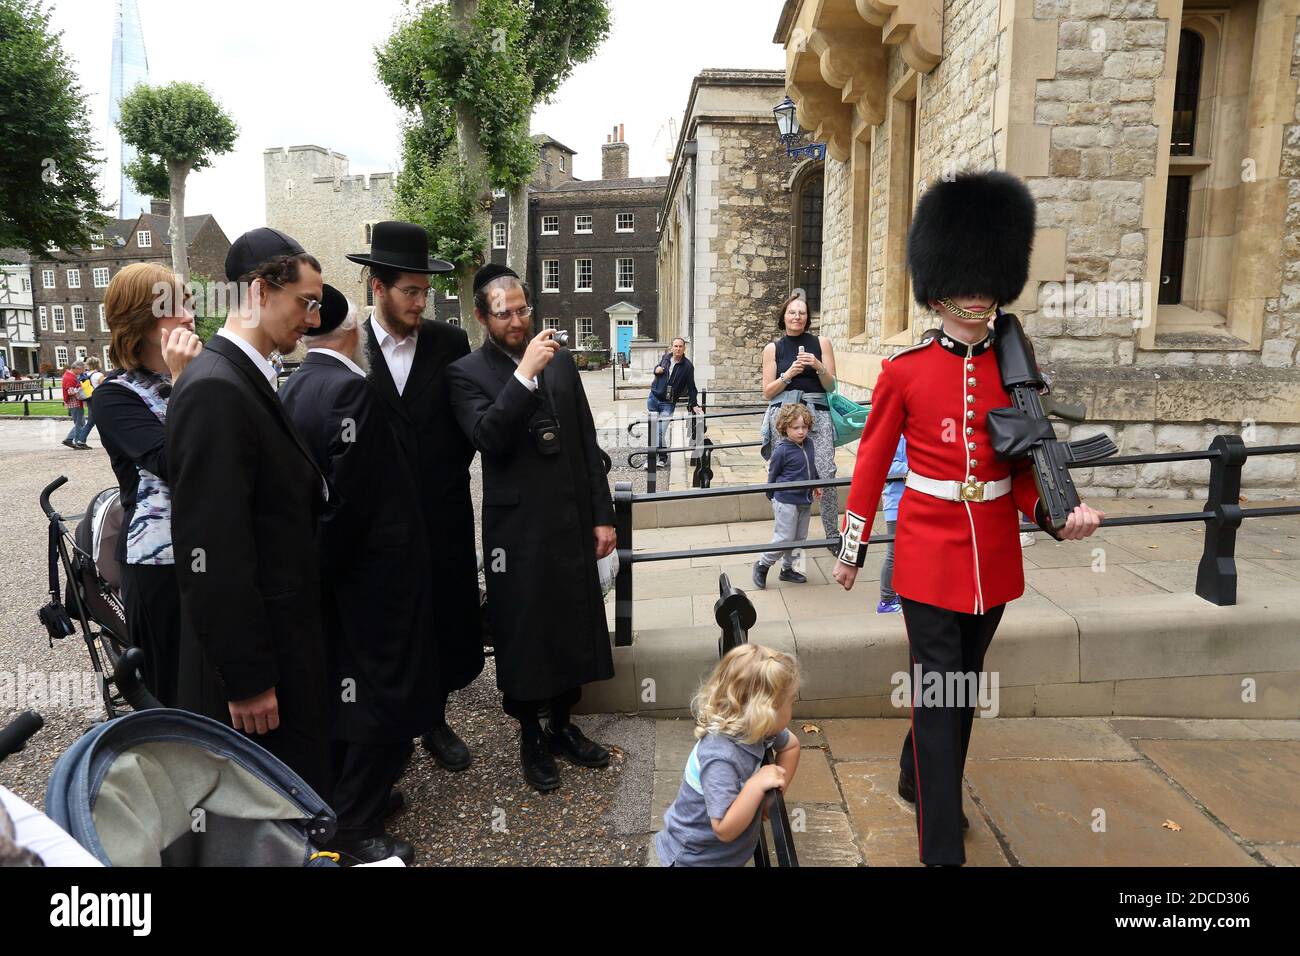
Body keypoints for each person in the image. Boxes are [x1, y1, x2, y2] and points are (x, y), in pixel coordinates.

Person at [831, 170, 1105, 866]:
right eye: (967, 276)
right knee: (937, 686)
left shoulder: (1017, 366)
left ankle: (915, 771)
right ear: (940, 283)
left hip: (993, 559)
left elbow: (1019, 472)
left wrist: (1057, 511)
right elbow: (870, 462)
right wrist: (852, 546)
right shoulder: (906, 371)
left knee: (961, 690)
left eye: (989, 278)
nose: (979, 291)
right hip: (926, 553)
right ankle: (941, 846)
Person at [167, 227, 333, 800]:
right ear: (261, 291)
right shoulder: (216, 388)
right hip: (256, 672)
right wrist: (247, 679)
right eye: (305, 302)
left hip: (284, 641)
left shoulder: (243, 377)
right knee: (259, 817)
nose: (313, 320)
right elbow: (211, 553)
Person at [279, 285, 435, 866]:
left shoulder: (297, 385)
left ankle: (350, 800)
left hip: (336, 582)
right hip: (372, 584)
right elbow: (349, 500)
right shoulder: (349, 387)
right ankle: (356, 825)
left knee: (346, 696)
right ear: (350, 336)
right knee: (381, 701)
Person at [446, 263, 615, 792]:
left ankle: (563, 723)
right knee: (523, 628)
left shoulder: (560, 363)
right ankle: (529, 734)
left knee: (570, 621)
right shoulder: (465, 373)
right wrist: (523, 378)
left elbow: (586, 441)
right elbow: (487, 437)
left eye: (522, 309)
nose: (518, 321)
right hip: (516, 530)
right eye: (505, 313)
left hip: (568, 517)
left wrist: (602, 514)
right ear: (482, 316)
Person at [348, 221, 484, 772]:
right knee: (388, 622)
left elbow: (466, 421)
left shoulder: (448, 343)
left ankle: (435, 717)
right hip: (377, 523)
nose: (420, 302)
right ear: (377, 287)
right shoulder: (347, 346)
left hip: (441, 510)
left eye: (426, 291)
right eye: (410, 291)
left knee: (444, 616)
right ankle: (391, 729)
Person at [93, 263, 203, 705]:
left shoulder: (205, 371)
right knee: (174, 690)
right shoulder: (114, 395)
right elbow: (173, 461)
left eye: (191, 302)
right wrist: (183, 381)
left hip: (219, 550)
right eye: (177, 306)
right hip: (161, 566)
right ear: (142, 318)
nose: (191, 314)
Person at [655, 644, 801, 867]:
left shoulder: (760, 727)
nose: (793, 708)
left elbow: (791, 748)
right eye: (790, 703)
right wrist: (755, 786)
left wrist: (769, 798)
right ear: (767, 712)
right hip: (696, 859)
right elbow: (723, 829)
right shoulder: (720, 758)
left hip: (724, 855)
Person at [761, 294, 840, 551]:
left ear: (808, 318)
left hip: (817, 413)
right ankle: (785, 538)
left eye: (802, 313)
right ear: (784, 317)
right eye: (792, 312)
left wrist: (818, 366)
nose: (797, 317)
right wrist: (789, 374)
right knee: (787, 475)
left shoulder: (822, 342)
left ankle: (832, 536)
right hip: (785, 417)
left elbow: (832, 385)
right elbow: (767, 392)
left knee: (826, 473)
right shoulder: (773, 348)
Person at [752, 403, 821, 589]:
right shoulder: (782, 450)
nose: (801, 432)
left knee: (799, 538)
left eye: (804, 427)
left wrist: (817, 483)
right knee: (784, 537)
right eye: (796, 428)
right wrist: (772, 494)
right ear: (785, 428)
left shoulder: (809, 444)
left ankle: (788, 569)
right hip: (786, 499)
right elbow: (773, 474)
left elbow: (811, 466)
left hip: (804, 499)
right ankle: (762, 564)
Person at [645, 337, 702, 469]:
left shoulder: (687, 366)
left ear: (684, 348)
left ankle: (658, 458)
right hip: (653, 399)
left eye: (680, 346)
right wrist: (656, 369)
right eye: (675, 346)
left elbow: (691, 387)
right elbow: (657, 368)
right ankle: (657, 459)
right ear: (672, 347)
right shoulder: (666, 358)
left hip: (668, 404)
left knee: (659, 431)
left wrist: (694, 404)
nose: (677, 348)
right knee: (653, 431)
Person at [878, 435, 909, 614]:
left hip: (910, 502)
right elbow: (888, 466)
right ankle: (886, 600)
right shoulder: (898, 436)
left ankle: (897, 593)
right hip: (896, 504)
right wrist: (918, 467)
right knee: (894, 554)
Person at [75, 357, 105, 445]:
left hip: (89, 398)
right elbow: (104, 388)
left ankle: (81, 439)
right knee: (99, 419)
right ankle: (81, 440)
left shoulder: (85, 374)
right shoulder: (99, 375)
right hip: (98, 399)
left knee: (92, 420)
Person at [60, 360, 88, 449]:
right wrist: (81, 388)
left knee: (80, 422)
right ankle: (77, 442)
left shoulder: (69, 375)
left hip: (73, 403)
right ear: (77, 368)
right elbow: (70, 391)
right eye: (82, 369)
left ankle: (69, 439)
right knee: (79, 423)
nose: (82, 371)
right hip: (74, 402)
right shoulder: (70, 377)